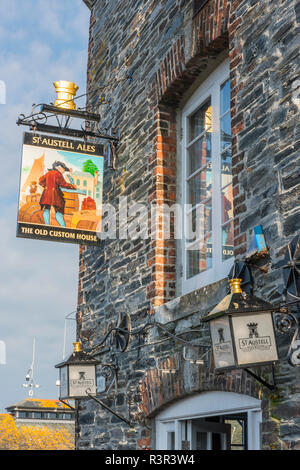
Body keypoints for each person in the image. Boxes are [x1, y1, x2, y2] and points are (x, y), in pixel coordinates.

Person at [39, 161, 76, 227]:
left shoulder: (48, 173)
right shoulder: (58, 174)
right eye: (63, 169)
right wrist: (72, 186)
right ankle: (63, 226)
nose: (64, 171)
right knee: (58, 211)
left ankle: (46, 225)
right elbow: (63, 184)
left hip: (46, 194)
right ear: (59, 168)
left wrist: (47, 186)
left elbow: (40, 181)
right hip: (55, 195)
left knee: (47, 209)